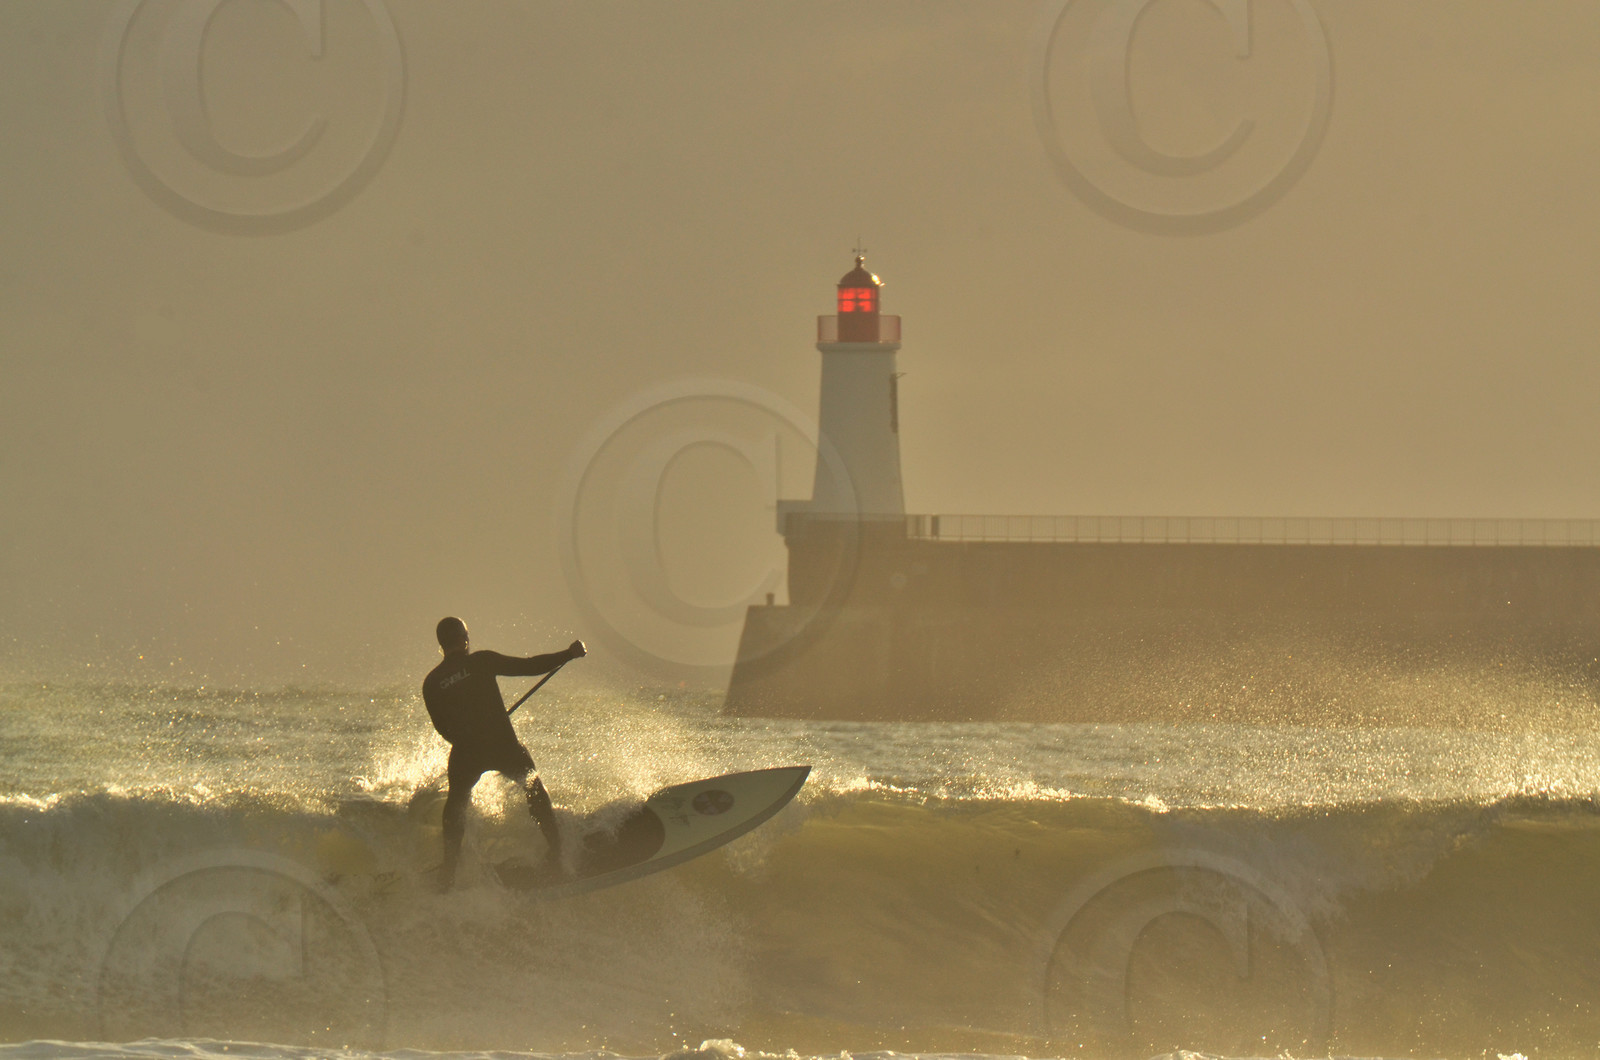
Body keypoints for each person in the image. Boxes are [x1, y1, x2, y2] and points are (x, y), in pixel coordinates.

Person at [421, 616, 586, 891]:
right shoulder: (480, 661)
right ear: (465, 638)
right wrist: (567, 654)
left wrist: (467, 739)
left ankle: (447, 874)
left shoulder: (432, 682)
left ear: (441, 644)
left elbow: (441, 728)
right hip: (502, 745)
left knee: (456, 804)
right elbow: (529, 665)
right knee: (534, 790)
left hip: (466, 752)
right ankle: (557, 857)